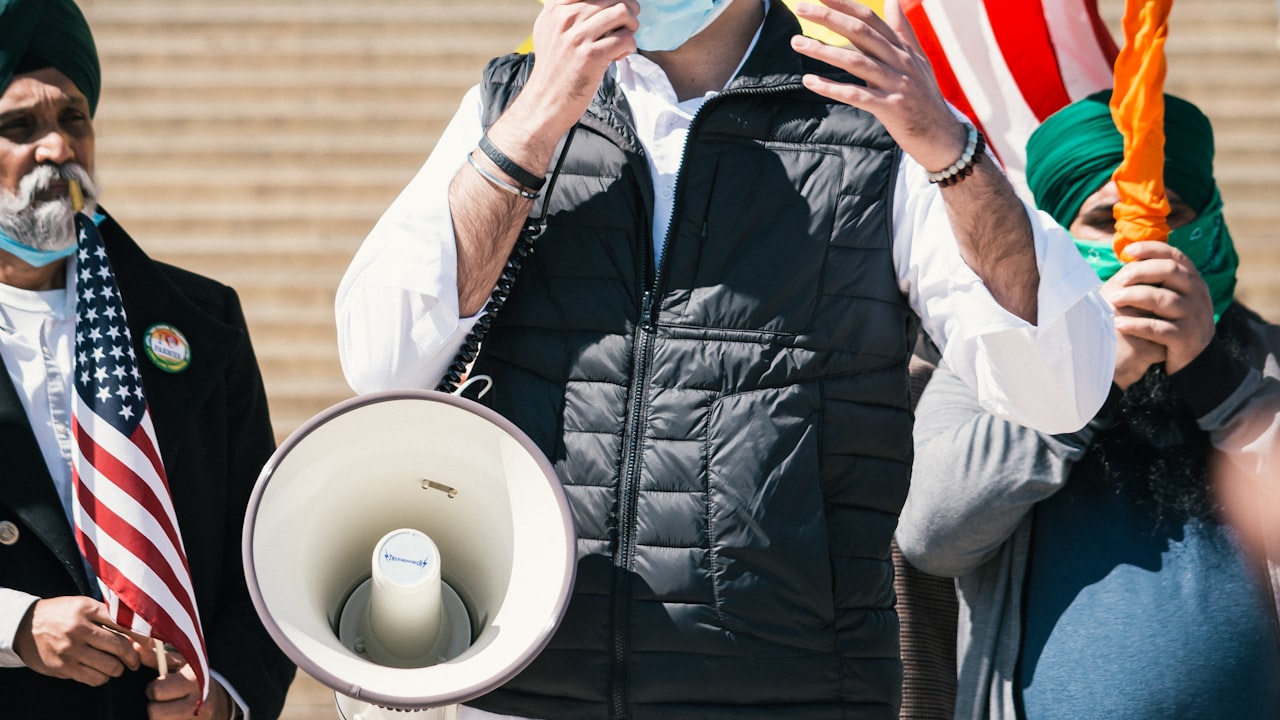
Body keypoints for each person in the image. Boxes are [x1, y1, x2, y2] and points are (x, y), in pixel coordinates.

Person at [335, 0, 1117, 716]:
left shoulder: (875, 114)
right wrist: (536, 120)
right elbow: (382, 360)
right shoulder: (511, 103)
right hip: (513, 685)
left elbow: (1061, 386)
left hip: (787, 691)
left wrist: (948, 148)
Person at [896, 90, 1280, 720]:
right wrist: (1086, 381)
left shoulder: (1266, 358)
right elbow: (933, 534)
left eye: (1168, 216)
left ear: (1210, 224)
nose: (1142, 249)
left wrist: (1215, 380)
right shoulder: (991, 366)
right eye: (1107, 222)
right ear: (1056, 241)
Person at [0, 1, 296, 717]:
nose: (57, 149)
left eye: (74, 119)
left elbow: (265, 551)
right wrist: (14, 625)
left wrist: (223, 695)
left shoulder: (201, 317)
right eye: (18, 127)